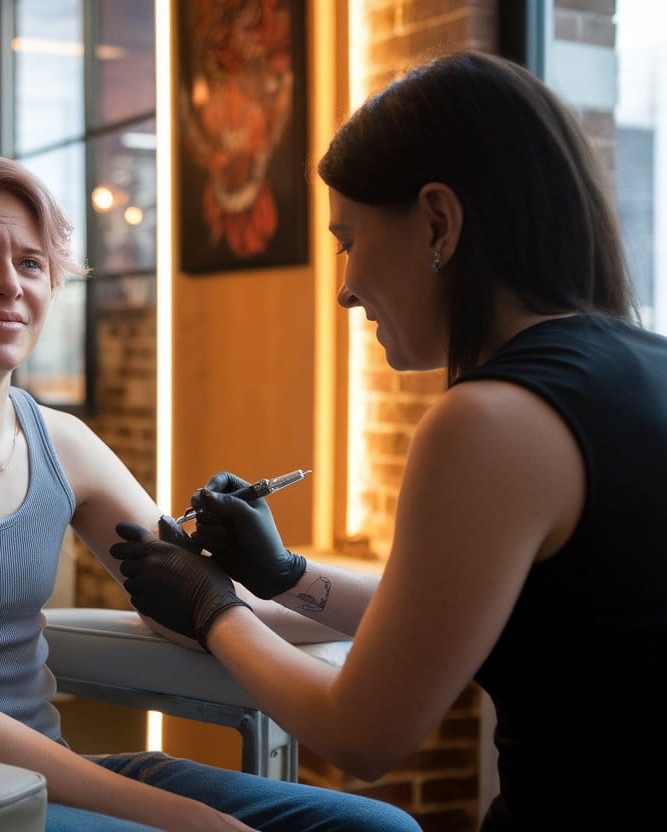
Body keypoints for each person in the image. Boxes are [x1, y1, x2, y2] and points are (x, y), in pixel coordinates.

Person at [109, 51, 667, 832]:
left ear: (439, 221)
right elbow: (464, 615)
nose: (343, 287)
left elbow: (362, 733)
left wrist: (209, 610)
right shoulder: (644, 366)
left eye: (347, 239)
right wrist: (284, 575)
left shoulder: (492, 420)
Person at [0, 149, 420, 832]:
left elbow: (185, 601)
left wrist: (319, 589)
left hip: (45, 778)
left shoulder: (63, 444)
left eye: (31, 263)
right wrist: (188, 819)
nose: (9, 284)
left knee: (381, 829)